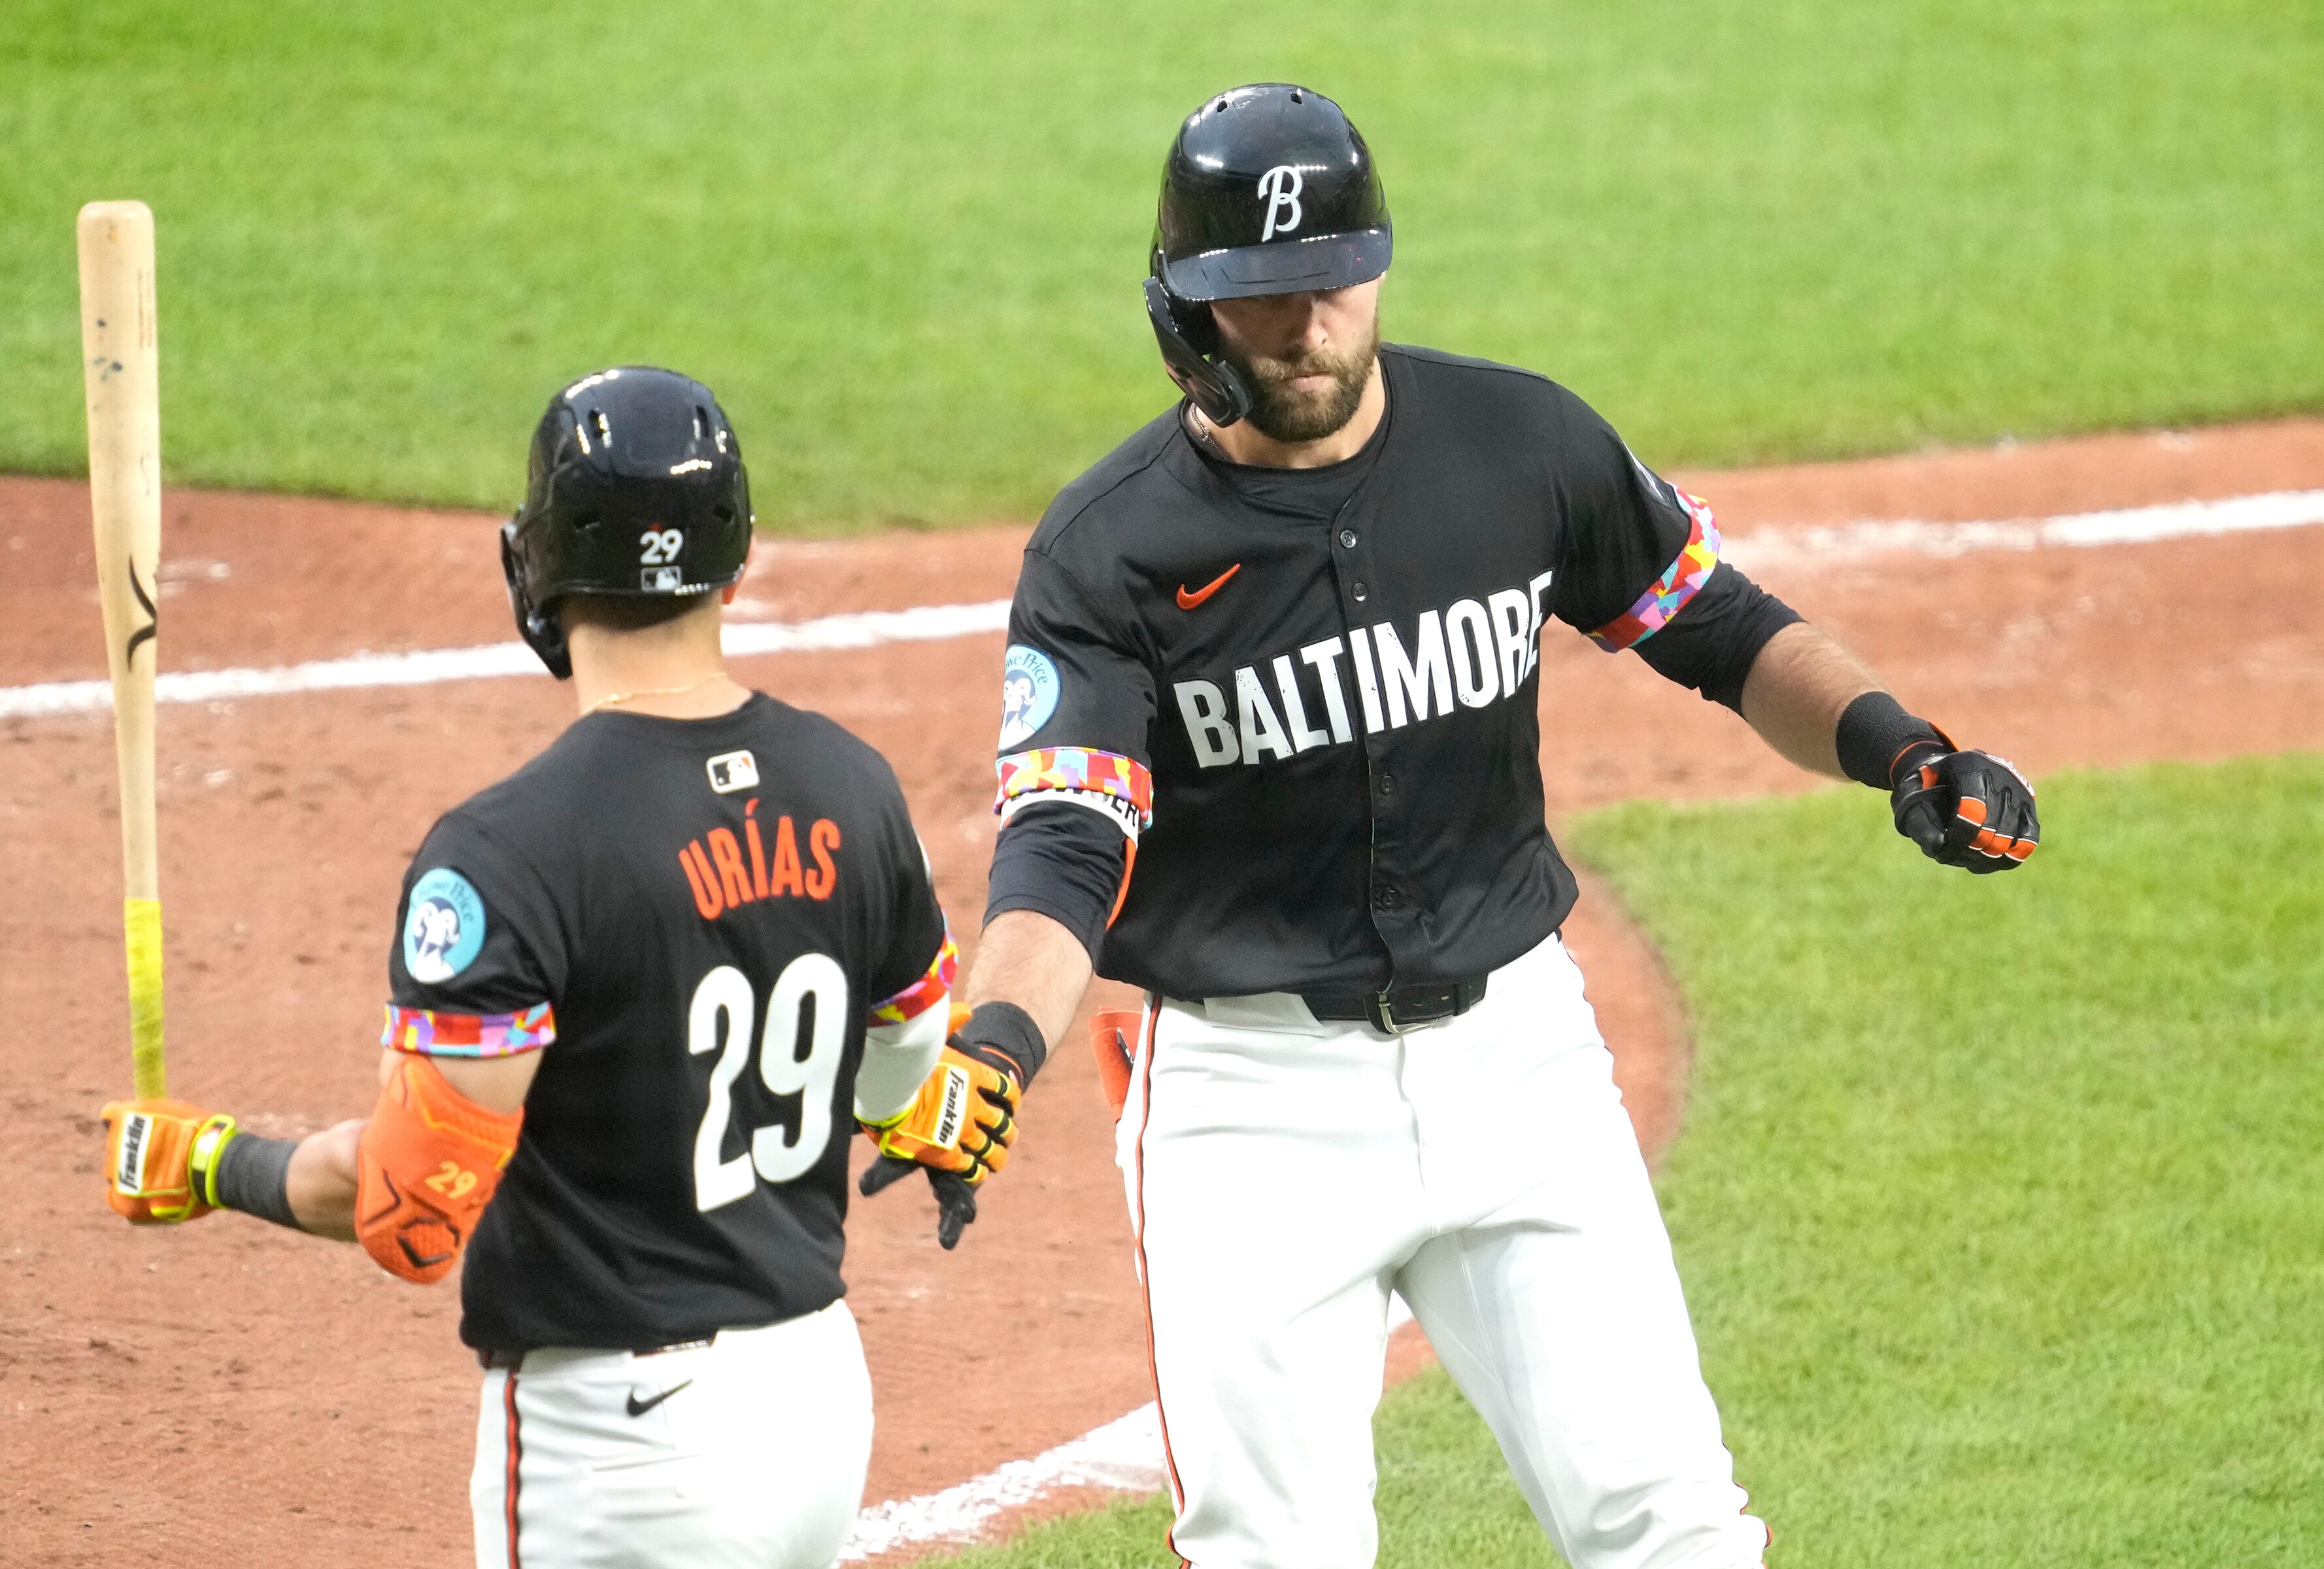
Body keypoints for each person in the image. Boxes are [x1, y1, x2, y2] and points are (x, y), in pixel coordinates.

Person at [960, 84, 2040, 1569]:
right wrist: (994, 1044)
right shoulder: (1108, 554)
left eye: (1333, 281)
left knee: (1673, 1527)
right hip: (1250, 1108)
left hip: (1519, 1066)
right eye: (1261, 300)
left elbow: (1715, 626)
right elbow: (1067, 845)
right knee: (1274, 1555)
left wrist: (1903, 751)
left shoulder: (1517, 442)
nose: (1308, 327)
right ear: (1186, 315)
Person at [98, 366, 1032, 1569]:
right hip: (816, 1405)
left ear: (532, 565)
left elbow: (412, 1212)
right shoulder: (852, 786)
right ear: (737, 557)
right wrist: (912, 1109)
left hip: (621, 1452)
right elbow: (904, 1075)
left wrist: (213, 1162)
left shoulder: (510, 849)